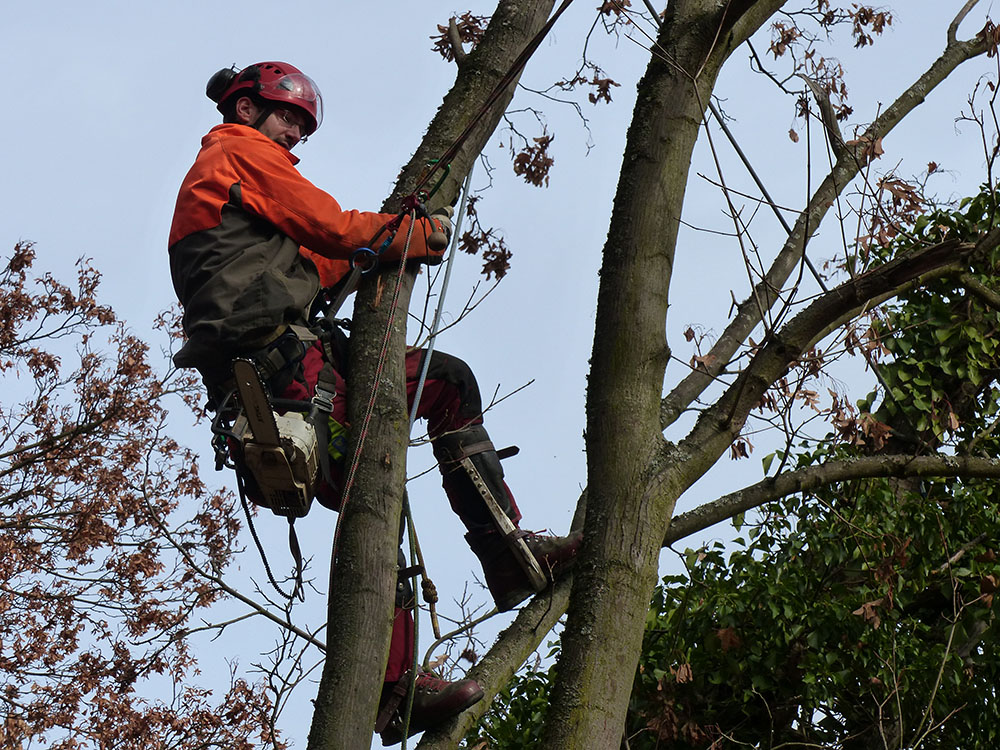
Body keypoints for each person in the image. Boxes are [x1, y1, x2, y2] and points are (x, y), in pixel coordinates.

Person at [168, 61, 580, 743]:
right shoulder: (238, 152)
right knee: (373, 487)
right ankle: (403, 676)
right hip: (281, 369)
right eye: (286, 117)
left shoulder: (241, 181)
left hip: (290, 362)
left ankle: (497, 561)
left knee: (421, 419)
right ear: (244, 108)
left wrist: (383, 246)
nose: (294, 134)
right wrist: (416, 234)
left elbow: (325, 260)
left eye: (302, 125)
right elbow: (329, 228)